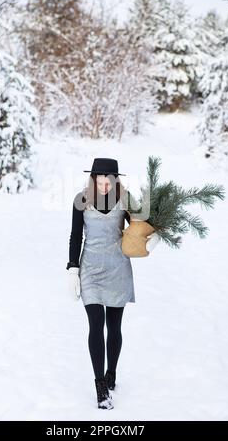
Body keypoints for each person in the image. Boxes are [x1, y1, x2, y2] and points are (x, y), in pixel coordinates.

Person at [66, 158, 158, 409]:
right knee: (95, 325)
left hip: (118, 268)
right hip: (91, 270)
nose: (105, 184)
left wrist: (155, 236)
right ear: (93, 178)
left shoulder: (126, 200)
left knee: (113, 327)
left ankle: (112, 375)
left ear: (116, 180)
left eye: (110, 179)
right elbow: (75, 236)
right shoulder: (81, 200)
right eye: (101, 179)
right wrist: (73, 268)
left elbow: (140, 228)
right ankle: (100, 387)